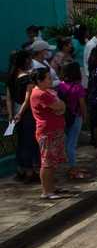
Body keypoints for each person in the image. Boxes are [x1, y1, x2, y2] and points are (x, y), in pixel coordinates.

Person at [29, 68, 67, 200]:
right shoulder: (41, 94)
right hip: (48, 132)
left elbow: (61, 107)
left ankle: (51, 187)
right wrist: (60, 104)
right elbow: (59, 107)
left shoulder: (46, 92)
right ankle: (47, 191)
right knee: (47, 162)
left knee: (53, 161)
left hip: (53, 130)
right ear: (39, 81)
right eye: (48, 78)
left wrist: (60, 105)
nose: (51, 80)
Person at [6, 50, 39, 183]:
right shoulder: (27, 78)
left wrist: (11, 114)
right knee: (29, 143)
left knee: (21, 143)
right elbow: (28, 98)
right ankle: (29, 172)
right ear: (25, 60)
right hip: (27, 114)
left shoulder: (10, 77)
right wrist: (20, 113)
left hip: (15, 114)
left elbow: (9, 98)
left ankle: (21, 170)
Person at [58, 62, 90, 180]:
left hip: (64, 116)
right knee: (72, 143)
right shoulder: (78, 87)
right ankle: (73, 168)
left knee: (68, 142)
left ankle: (73, 165)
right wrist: (85, 116)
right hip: (76, 116)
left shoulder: (61, 86)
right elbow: (82, 104)